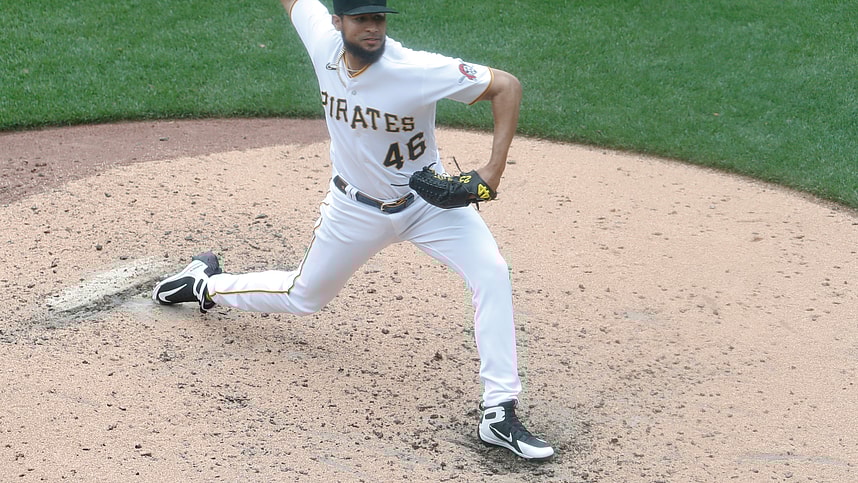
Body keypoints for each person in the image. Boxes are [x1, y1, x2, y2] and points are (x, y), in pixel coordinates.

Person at [152, 0, 554, 461]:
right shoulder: (322, 41)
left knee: (491, 271)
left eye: (378, 19)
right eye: (361, 19)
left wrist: (492, 171)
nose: (372, 28)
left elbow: (506, 86)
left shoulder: (416, 69)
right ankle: (205, 283)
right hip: (354, 209)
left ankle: (499, 412)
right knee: (305, 296)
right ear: (338, 22)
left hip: (428, 203)